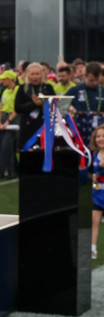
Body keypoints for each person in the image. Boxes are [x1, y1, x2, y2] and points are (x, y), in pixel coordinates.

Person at [14, 60, 56, 148]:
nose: (35, 77)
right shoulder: (22, 88)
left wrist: (42, 103)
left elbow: (54, 106)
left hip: (44, 125)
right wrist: (34, 104)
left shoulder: (48, 87)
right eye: (32, 74)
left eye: (37, 74)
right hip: (27, 126)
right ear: (28, 75)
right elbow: (17, 108)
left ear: (42, 75)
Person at [65, 61, 104, 146]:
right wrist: (69, 108)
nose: (95, 83)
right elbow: (61, 103)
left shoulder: (102, 91)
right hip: (81, 130)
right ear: (85, 76)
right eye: (92, 80)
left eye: (97, 80)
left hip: (100, 131)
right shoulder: (75, 90)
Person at [0, 69, 20, 178]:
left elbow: (17, 109)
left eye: (4, 79)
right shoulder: (5, 91)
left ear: (10, 79)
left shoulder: (18, 90)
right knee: (8, 147)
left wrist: (7, 122)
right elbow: (0, 107)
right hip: (4, 118)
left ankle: (1, 171)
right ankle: (11, 171)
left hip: (13, 119)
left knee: (5, 146)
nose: (2, 81)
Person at [90, 124, 104, 260]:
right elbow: (93, 174)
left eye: (103, 136)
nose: (100, 139)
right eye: (98, 136)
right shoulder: (95, 155)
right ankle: (92, 248)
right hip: (98, 194)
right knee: (94, 221)